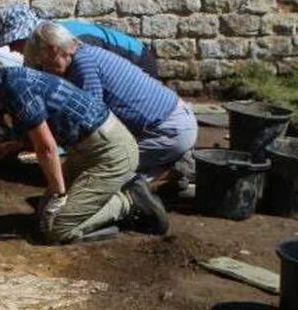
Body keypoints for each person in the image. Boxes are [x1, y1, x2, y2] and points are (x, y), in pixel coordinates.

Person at [0, 47, 169, 244]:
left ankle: (128, 202)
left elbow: (46, 148)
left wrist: (59, 195)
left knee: (56, 229)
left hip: (110, 151)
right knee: (42, 219)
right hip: (85, 151)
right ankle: (103, 200)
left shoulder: (15, 89)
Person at [23, 21, 196, 187]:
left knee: (98, 173)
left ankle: (171, 171)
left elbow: (91, 124)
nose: (47, 70)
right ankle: (166, 167)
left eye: (44, 64)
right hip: (176, 122)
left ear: (54, 51)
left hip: (169, 130)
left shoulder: (83, 65)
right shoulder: (87, 53)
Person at [0, 5, 159, 78]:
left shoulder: (71, 40)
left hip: (137, 60)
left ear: (27, 35)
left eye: (13, 42)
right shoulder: (39, 50)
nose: (10, 49)